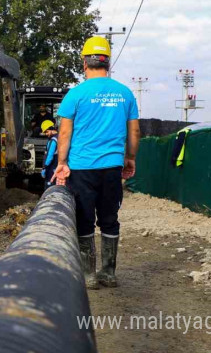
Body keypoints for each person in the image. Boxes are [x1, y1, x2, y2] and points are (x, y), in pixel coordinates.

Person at [53, 35, 140, 289]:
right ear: (107, 63)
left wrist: (62, 162)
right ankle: (109, 273)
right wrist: (130, 158)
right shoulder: (125, 94)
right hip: (112, 167)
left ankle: (89, 275)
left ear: (84, 63)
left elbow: (65, 134)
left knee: (84, 219)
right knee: (109, 218)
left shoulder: (75, 95)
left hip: (81, 168)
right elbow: (134, 133)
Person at [39, 120, 59, 188]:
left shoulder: (53, 140)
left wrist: (45, 167)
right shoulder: (60, 137)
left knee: (49, 187)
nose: (46, 134)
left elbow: (49, 156)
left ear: (51, 129)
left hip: (51, 168)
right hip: (57, 168)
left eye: (47, 131)